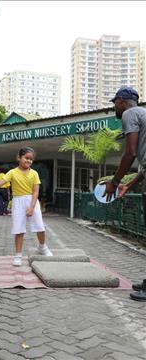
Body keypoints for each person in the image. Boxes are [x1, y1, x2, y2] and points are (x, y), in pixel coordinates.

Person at [104, 86, 146, 302]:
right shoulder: (144, 114)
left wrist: (115, 181)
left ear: (122, 101)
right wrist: (129, 186)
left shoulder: (130, 114)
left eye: (115, 103)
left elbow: (129, 153)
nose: (115, 108)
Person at [0, 147, 53, 266]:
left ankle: (42, 247)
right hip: (18, 201)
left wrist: (32, 208)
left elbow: (36, 192)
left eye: (31, 159)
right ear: (19, 157)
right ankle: (18, 256)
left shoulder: (34, 174)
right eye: (26, 158)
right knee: (19, 229)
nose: (29, 161)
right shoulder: (12, 172)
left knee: (40, 227)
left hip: (32, 200)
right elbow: (0, 183)